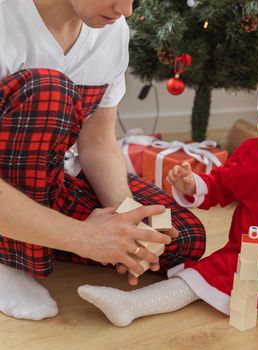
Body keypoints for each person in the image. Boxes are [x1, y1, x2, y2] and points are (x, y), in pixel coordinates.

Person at [77, 29, 258, 327]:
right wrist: (192, 185)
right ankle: (130, 304)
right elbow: (221, 185)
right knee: (192, 280)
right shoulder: (251, 152)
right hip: (242, 255)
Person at [0, 0, 205, 322]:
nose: (125, 10)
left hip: (53, 180)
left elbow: (96, 140)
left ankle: (41, 235)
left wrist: (128, 218)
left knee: (178, 238)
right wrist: (85, 238)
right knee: (51, 91)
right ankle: (10, 260)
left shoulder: (112, 31)